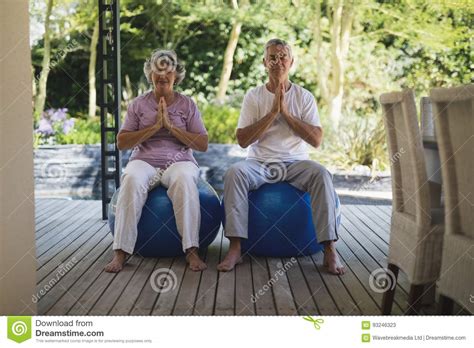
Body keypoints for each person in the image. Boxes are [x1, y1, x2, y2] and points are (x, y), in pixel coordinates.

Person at [218, 39, 345, 275]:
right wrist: (272, 112)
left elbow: (316, 140)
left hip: (295, 163)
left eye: (283, 56)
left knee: (322, 174)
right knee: (234, 173)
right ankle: (235, 248)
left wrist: (285, 113)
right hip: (259, 164)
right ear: (265, 63)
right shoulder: (253, 96)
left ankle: (329, 250)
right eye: (273, 57)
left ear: (291, 62)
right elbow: (243, 139)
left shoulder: (304, 97)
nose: (278, 61)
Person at [105, 49, 209, 273]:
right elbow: (122, 141)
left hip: (180, 161)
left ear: (175, 74)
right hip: (144, 161)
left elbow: (202, 143)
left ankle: (191, 250)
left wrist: (170, 127)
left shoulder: (187, 104)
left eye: (167, 68)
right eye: (157, 68)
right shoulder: (138, 105)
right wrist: (154, 127)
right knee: (131, 178)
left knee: (183, 179)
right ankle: (121, 252)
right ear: (150, 73)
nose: (162, 74)